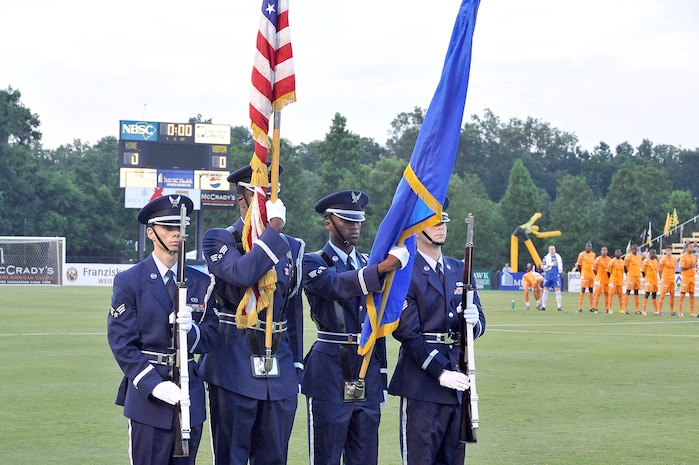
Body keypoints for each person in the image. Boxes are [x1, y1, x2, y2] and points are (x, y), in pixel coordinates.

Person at [199, 164, 305, 465]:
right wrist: (272, 232)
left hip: (279, 369)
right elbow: (241, 274)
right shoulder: (220, 239)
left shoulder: (293, 247)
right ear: (241, 198)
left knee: (274, 458)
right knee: (232, 457)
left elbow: (292, 309)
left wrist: (296, 366)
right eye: (260, 192)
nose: (268, 198)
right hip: (233, 364)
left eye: (272, 192)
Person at [107, 195, 218, 465]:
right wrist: (152, 385)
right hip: (149, 398)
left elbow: (213, 336)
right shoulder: (130, 281)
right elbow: (121, 342)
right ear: (151, 232)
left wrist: (191, 331)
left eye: (180, 228)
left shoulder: (202, 282)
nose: (176, 234)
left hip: (189, 394)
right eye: (168, 228)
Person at [302, 190, 409, 465]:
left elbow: (378, 321)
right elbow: (335, 286)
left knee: (365, 457)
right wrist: (384, 267)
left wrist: (381, 374)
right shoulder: (314, 261)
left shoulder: (366, 263)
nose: (355, 226)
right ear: (329, 222)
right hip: (330, 368)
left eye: (358, 220)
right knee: (326, 456)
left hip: (367, 369)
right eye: (347, 220)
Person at [388, 200, 486, 465]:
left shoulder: (459, 269)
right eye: (434, 223)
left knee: (453, 460)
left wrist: (474, 323)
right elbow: (408, 334)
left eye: (443, 222)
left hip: (458, 384)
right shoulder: (403, 273)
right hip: (423, 384)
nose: (441, 227)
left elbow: (479, 322)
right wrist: (440, 371)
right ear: (417, 229)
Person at [676, 242, 697, 318]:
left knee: (692, 295)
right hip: (686, 277)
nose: (692, 248)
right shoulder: (683, 256)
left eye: (692, 247)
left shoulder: (694, 257)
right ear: (687, 248)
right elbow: (681, 267)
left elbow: (694, 266)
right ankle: (679, 312)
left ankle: (691, 312)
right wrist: (690, 266)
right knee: (682, 294)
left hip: (692, 277)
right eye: (690, 247)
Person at [540, 245, 563, 311]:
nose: (552, 251)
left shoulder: (558, 257)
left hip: (555, 275)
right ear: (549, 250)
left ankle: (559, 306)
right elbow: (543, 267)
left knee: (557, 290)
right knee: (545, 290)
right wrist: (551, 264)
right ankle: (543, 306)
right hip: (548, 275)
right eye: (551, 249)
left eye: (553, 249)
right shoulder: (546, 257)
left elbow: (560, 265)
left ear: (555, 250)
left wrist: (560, 271)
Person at [575, 241, 596, 312]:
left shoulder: (593, 254)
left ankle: (591, 307)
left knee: (591, 290)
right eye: (587, 246)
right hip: (585, 275)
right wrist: (581, 273)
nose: (589, 247)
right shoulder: (581, 254)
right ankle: (580, 307)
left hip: (591, 275)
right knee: (583, 289)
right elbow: (579, 265)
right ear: (585, 247)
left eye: (590, 246)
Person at [623, 244, 643, 314]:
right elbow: (625, 266)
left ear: (637, 249)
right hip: (631, 276)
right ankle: (625, 309)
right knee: (628, 291)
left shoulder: (639, 257)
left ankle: (637, 309)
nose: (635, 250)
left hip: (637, 276)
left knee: (636, 292)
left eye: (636, 248)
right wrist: (627, 273)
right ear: (631, 249)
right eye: (633, 248)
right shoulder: (628, 256)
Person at [657, 245, 677, 316]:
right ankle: (659, 311)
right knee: (663, 295)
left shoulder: (674, 259)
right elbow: (659, 270)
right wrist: (661, 277)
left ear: (672, 251)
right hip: (665, 279)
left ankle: (672, 311)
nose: (668, 252)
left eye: (670, 250)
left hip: (672, 279)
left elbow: (674, 268)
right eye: (667, 250)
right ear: (665, 251)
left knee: (672, 295)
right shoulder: (663, 260)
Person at [592, 246, 612, 313]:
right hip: (599, 280)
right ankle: (596, 308)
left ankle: (606, 308)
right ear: (601, 251)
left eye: (605, 250)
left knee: (607, 294)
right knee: (598, 294)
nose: (604, 251)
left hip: (607, 280)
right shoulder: (598, 259)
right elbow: (594, 269)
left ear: (607, 251)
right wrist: (598, 276)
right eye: (603, 250)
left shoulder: (609, 259)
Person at [641, 248, 659, 316]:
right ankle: (644, 310)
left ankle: (656, 311)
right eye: (653, 253)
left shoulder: (656, 261)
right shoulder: (646, 261)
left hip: (655, 280)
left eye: (655, 253)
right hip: (649, 280)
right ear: (650, 254)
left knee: (654, 295)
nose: (654, 254)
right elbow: (643, 271)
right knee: (647, 294)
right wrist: (646, 278)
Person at [607, 249, 626, 314]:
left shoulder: (622, 261)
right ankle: (610, 309)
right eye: (617, 252)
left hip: (620, 281)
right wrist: (611, 279)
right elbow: (608, 272)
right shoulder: (612, 261)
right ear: (615, 253)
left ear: (621, 253)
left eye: (619, 252)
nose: (618, 253)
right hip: (613, 281)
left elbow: (624, 271)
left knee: (620, 296)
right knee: (611, 296)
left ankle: (621, 309)